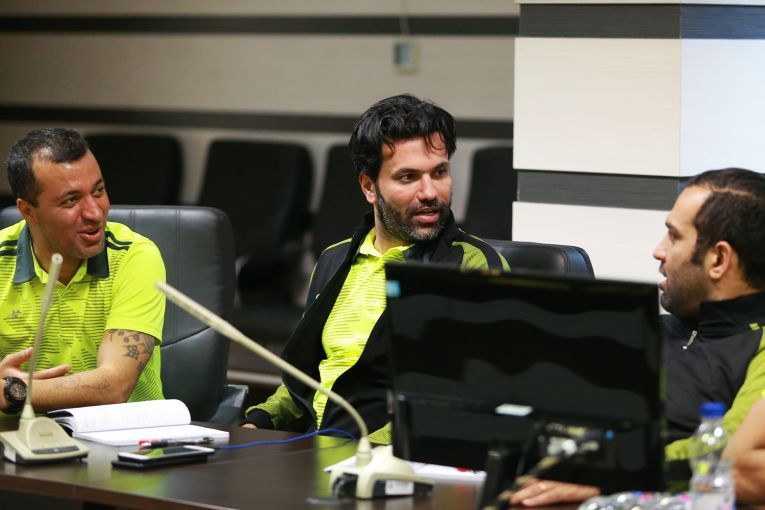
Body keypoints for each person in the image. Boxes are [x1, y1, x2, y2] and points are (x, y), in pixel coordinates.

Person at [243, 94, 508, 441]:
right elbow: (307, 378)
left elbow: (456, 402)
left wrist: (364, 454)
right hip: (313, 448)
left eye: (439, 172)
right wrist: (260, 422)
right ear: (369, 187)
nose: (430, 192)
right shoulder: (335, 260)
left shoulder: (471, 267)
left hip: (387, 455)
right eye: (408, 177)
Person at [510, 168, 765, 506]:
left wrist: (612, 475)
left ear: (718, 259)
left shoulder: (759, 346)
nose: (658, 251)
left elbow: (727, 453)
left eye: (674, 236)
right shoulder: (644, 330)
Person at [0, 127, 166, 414]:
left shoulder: (135, 256)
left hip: (125, 434)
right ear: (28, 211)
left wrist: (13, 391)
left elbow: (114, 386)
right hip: (17, 433)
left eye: (99, 191)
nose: (95, 213)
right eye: (71, 201)